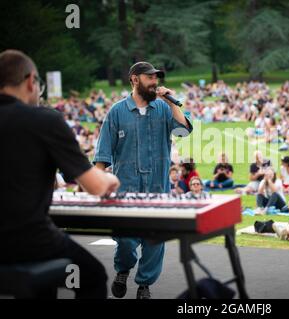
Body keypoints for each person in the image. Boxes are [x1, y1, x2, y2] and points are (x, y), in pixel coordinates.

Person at [0, 49, 120, 299]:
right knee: (93, 276)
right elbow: (95, 186)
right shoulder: (44, 120)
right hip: (27, 238)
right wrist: (111, 178)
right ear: (32, 81)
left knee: (45, 282)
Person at [94, 61, 193, 299]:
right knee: (126, 241)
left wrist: (171, 101)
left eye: (156, 78)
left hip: (158, 188)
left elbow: (184, 130)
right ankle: (123, 270)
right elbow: (102, 155)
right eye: (149, 77)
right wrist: (97, 188)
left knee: (155, 241)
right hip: (125, 190)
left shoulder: (163, 108)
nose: (155, 82)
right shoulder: (117, 112)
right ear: (135, 79)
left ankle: (144, 286)